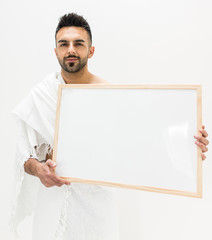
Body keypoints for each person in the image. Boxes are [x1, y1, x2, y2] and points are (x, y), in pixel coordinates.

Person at [11, 12, 209, 240]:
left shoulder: (109, 94)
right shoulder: (41, 95)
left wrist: (189, 147)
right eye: (63, 44)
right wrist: (39, 169)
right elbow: (22, 153)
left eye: (79, 43)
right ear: (55, 51)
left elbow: (142, 141)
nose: (71, 50)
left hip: (97, 207)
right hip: (52, 203)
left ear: (91, 50)